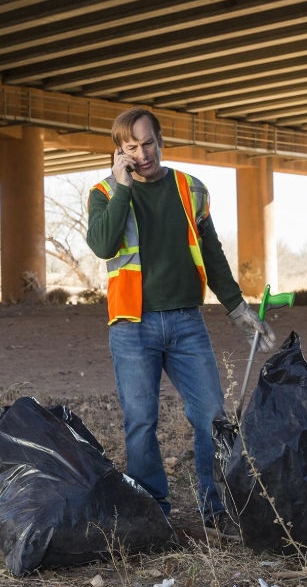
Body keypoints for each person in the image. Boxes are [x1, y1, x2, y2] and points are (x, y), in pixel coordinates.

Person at [86, 107, 276, 541]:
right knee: (141, 420)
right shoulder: (104, 192)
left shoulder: (191, 189)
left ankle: (217, 508)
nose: (142, 153)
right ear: (120, 152)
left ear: (160, 140)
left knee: (212, 415)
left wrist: (238, 310)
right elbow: (102, 244)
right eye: (131, 147)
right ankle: (154, 516)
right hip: (132, 325)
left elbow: (212, 252)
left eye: (148, 142)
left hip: (187, 322)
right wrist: (121, 186)